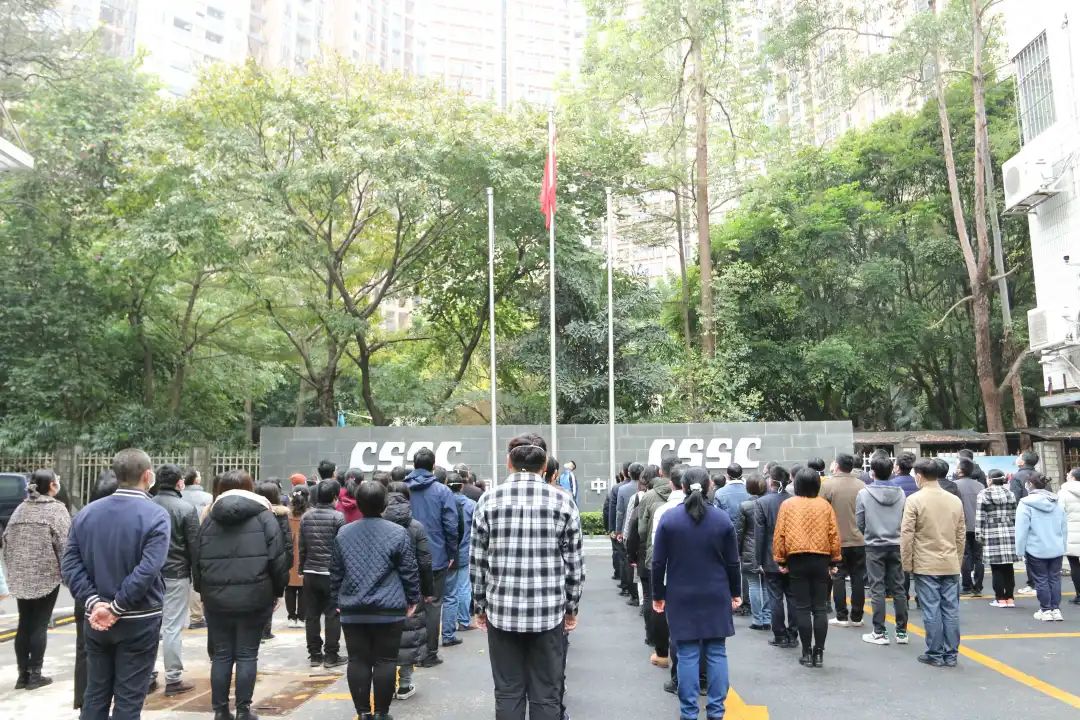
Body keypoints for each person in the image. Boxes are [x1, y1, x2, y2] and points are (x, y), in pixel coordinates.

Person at [471, 433, 584, 720]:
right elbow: (574, 563)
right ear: (545, 466)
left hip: (502, 611)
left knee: (507, 690)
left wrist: (480, 606)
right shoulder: (563, 502)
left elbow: (477, 561)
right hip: (548, 613)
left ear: (508, 463)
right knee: (546, 691)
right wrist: (571, 608)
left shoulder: (488, 500)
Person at [61, 449, 169, 720]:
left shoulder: (86, 514)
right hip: (138, 618)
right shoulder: (156, 515)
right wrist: (117, 606)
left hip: (96, 619)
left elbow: (70, 564)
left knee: (95, 694)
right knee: (129, 700)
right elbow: (148, 569)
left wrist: (95, 603)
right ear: (147, 476)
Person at [195, 469, 289, 720]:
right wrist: (278, 591)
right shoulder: (264, 516)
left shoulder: (209, 517)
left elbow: (197, 559)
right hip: (255, 596)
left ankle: (220, 711)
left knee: (222, 655)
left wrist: (202, 591)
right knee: (247, 654)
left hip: (216, 598)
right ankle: (244, 710)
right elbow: (278, 558)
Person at [652, 467, 741, 720]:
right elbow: (733, 562)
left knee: (687, 653)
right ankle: (716, 712)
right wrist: (735, 592)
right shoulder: (722, 519)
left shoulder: (670, 519)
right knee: (717, 652)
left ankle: (689, 713)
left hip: (680, 595)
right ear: (709, 486)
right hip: (716, 593)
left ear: (682, 486)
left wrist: (658, 594)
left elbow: (658, 562)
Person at [329, 480, 420, 720]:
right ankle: (381, 712)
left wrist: (335, 600)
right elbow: (409, 570)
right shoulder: (398, 532)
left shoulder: (344, 533)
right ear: (384, 504)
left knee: (357, 660)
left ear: (358, 503)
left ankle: (363, 712)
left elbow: (336, 571)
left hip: (352, 606)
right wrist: (412, 598)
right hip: (389, 607)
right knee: (386, 660)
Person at [3, 468, 71, 690]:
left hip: (21, 576)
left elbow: (7, 540)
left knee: (25, 623)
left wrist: (14, 570)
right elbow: (65, 545)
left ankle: (22, 675)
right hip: (46, 576)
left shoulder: (21, 509)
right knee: (40, 624)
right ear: (52, 485)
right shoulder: (56, 510)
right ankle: (35, 674)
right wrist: (67, 574)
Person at [773, 468, 841, 668]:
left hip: (796, 559)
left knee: (801, 607)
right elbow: (834, 535)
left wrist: (781, 561)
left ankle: (806, 652)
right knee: (819, 608)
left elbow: (780, 535)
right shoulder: (825, 505)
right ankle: (819, 653)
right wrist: (834, 561)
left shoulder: (787, 505)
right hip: (821, 559)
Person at [900, 458, 965, 668]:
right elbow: (960, 535)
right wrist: (957, 559)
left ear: (919, 476)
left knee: (932, 609)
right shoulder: (954, 500)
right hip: (950, 562)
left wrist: (906, 563)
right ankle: (951, 654)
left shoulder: (914, 500)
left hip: (925, 562)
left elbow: (907, 534)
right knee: (951, 609)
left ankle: (935, 653)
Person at [405, 447, 460, 668]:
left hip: (406, 554)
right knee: (433, 604)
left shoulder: (403, 488)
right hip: (436, 555)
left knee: (411, 603)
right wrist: (452, 552)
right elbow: (451, 525)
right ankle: (429, 653)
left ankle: (411, 652)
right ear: (433, 466)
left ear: (414, 464)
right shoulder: (442, 491)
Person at [150, 464, 200, 696]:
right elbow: (194, 548)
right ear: (180, 483)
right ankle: (173, 678)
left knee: (150, 626)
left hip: (148, 574)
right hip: (177, 574)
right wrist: (198, 579)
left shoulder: (146, 506)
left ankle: (148, 675)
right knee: (172, 627)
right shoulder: (186, 509)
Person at [383, 482, 434, 701]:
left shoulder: (378, 523)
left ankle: (385, 685)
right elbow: (424, 561)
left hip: (383, 587)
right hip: (411, 586)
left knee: (385, 637)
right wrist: (427, 590)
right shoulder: (415, 526)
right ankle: (404, 685)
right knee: (409, 633)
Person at [856, 454, 909, 646]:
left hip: (874, 545)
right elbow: (905, 518)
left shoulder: (864, 493)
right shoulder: (901, 493)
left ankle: (879, 631)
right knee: (899, 588)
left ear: (872, 472)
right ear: (891, 471)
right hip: (896, 543)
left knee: (877, 588)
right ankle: (902, 632)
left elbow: (859, 522)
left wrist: (870, 533)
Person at [299, 479, 346, 668]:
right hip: (331, 574)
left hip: (310, 571)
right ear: (334, 497)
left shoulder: (306, 517)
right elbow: (342, 548)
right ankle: (331, 655)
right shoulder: (338, 518)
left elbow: (302, 546)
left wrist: (301, 568)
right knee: (332, 614)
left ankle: (315, 654)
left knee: (311, 615)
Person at [638, 457, 677, 668]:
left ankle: (661, 650)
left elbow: (642, 530)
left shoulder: (650, 497)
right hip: (687, 563)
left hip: (656, 557)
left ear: (662, 472)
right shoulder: (699, 498)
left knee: (657, 601)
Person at [1016, 473, 1068, 621]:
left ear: (1029, 485)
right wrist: (1063, 545)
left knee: (1041, 579)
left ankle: (1045, 610)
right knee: (1054, 579)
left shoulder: (1025, 503)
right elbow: (1063, 527)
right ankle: (1055, 609)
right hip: (1056, 547)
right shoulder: (1057, 501)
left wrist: (1020, 550)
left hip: (1035, 548)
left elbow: (1021, 529)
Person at [755, 465, 797, 649]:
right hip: (793, 554)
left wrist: (759, 560)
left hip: (770, 555)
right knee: (793, 597)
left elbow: (759, 535)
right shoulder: (794, 500)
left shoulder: (762, 502)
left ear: (771, 481)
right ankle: (793, 633)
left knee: (775, 597)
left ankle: (780, 634)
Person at [822, 453, 866, 628]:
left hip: (837, 540)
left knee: (838, 576)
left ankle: (841, 616)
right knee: (858, 578)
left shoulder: (827, 485)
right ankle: (857, 617)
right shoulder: (862, 485)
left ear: (837, 466)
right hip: (859, 539)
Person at [255, 480, 294, 641]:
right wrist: (288, 563)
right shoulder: (281, 515)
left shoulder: (254, 514)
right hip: (277, 558)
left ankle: (257, 629)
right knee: (271, 594)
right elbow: (287, 541)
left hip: (256, 558)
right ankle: (266, 630)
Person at [442, 470, 476, 647]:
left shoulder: (443, 502)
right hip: (465, 551)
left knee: (449, 592)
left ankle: (450, 622)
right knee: (463, 587)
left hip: (447, 553)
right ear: (461, 486)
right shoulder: (471, 505)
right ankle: (464, 620)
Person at [975, 469, 1018, 608]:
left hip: (991, 530)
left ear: (990, 480)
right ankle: (1010, 598)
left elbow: (980, 516)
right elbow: (1014, 515)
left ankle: (1000, 599)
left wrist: (979, 535)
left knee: (996, 567)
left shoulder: (984, 494)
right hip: (1009, 530)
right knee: (1009, 566)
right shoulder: (1010, 494)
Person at [734, 473, 770, 630]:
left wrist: (737, 551)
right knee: (767, 585)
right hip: (768, 548)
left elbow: (739, 531)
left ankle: (758, 620)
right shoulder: (770, 503)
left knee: (754, 585)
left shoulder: (745, 506)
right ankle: (767, 618)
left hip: (749, 549)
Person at [955, 459, 986, 596]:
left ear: (961, 470)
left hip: (963, 525)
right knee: (979, 557)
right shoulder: (980, 486)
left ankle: (966, 585)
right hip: (979, 525)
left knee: (965, 555)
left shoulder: (955, 485)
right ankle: (978, 586)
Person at [616, 462, 644, 606]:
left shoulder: (622, 489)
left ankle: (634, 594)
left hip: (630, 531)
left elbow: (621, 513)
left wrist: (619, 531)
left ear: (628, 473)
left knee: (630, 563)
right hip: (644, 532)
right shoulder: (647, 489)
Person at [286, 485, 309, 627]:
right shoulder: (309, 515)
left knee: (289, 587)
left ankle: (291, 617)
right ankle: (301, 618)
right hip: (304, 553)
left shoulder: (286, 515)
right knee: (303, 588)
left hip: (289, 554)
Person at [1059, 468, 1080, 605]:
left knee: (1074, 564)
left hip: (1071, 532)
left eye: (1068, 474)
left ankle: (1079, 595)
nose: (1066, 475)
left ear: (1073, 477)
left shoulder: (1064, 492)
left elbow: (1059, 513)